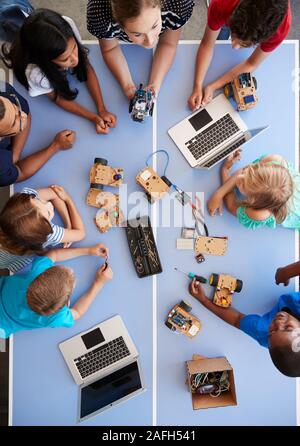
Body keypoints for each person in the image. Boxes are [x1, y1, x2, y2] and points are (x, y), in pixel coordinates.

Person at [5, 9, 116, 134]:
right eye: (65, 59)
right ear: (46, 61)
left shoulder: (67, 25)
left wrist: (102, 109)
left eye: (74, 48)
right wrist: (92, 117)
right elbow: (57, 98)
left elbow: (85, 64)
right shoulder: (35, 74)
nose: (75, 59)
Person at [188, 0, 291, 110]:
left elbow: (252, 63)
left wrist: (212, 86)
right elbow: (206, 44)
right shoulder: (221, 4)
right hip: (225, 11)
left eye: (244, 44)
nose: (234, 46)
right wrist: (197, 86)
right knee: (221, 32)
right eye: (234, 34)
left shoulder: (281, 29)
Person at [189, 278, 300, 377]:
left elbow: (237, 320)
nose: (278, 322)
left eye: (273, 330)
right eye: (288, 328)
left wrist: (204, 300)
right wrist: (287, 272)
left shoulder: (263, 332)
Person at [0, 243, 112, 339]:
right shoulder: (57, 317)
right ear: (66, 302)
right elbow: (77, 313)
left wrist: (88, 250)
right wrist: (99, 283)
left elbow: (53, 254)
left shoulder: (36, 274)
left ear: (44, 273)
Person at [87, 0, 194, 99]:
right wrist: (127, 86)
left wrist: (155, 84)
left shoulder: (179, 4)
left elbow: (168, 43)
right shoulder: (99, 16)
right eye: (137, 34)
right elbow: (110, 48)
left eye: (154, 26)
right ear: (119, 22)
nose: (150, 41)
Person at [0, 82, 75, 187]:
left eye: (14, 107)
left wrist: (14, 156)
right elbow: (21, 172)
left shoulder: (3, 89)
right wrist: (55, 146)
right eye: (14, 123)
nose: (23, 116)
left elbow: (25, 112)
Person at [0, 185, 85, 274]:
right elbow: (81, 233)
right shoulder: (50, 234)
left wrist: (68, 225)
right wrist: (68, 200)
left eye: (38, 200)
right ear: (43, 231)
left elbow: (55, 193)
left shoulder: (26, 199)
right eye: (48, 213)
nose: (49, 205)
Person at [207, 150, 300, 230]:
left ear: (254, 201)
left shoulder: (259, 213)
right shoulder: (273, 160)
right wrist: (219, 193)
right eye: (248, 173)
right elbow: (243, 170)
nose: (239, 178)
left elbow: (232, 206)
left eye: (243, 185)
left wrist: (225, 170)